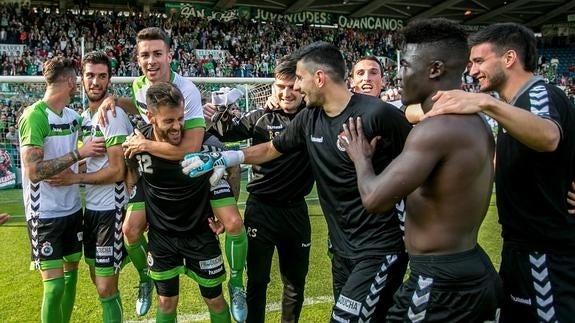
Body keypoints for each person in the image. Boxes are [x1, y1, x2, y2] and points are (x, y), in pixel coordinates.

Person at [183, 41, 412, 322]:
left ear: (319, 78)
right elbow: (270, 148)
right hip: (341, 248)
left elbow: (419, 159)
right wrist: (226, 158)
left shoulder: (378, 115)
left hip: (378, 247)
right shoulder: (309, 118)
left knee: (346, 316)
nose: (296, 89)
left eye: (300, 80)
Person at [341, 18, 502, 322]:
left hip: (438, 281)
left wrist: (361, 158)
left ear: (435, 69)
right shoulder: (476, 124)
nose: (398, 75)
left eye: (405, 66)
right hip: (472, 267)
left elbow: (374, 199)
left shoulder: (435, 130)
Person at [426, 22, 575, 322]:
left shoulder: (537, 94)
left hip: (545, 255)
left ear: (509, 59)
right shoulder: (513, 109)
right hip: (522, 250)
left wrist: (484, 103)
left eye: (479, 61)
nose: (472, 71)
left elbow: (549, 137)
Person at [100, 27, 247, 318]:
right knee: (130, 229)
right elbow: (144, 107)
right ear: (137, 59)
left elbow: (190, 147)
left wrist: (144, 143)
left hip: (192, 158)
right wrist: (116, 101)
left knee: (232, 222)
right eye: (145, 55)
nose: (151, 60)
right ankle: (145, 278)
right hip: (158, 169)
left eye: (157, 54)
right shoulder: (140, 85)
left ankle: (238, 283)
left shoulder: (187, 90)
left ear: (169, 55)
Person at [204, 59, 313, 323]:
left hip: (296, 210)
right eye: (280, 87)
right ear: (273, 88)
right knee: (257, 281)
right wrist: (215, 112)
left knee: (295, 282)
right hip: (261, 209)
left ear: (302, 87)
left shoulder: (315, 116)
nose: (286, 93)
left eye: (292, 88)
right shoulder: (260, 116)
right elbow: (223, 132)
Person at [128, 82, 238, 323]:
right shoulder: (136, 145)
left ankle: (237, 283)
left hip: (200, 233)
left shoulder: (202, 142)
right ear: (150, 117)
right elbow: (132, 176)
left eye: (181, 118)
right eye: (169, 121)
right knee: (166, 303)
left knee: (215, 300)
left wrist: (222, 213)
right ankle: (144, 278)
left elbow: (233, 168)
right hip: (162, 237)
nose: (178, 126)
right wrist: (140, 207)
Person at [18, 56, 105, 323]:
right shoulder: (35, 116)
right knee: (54, 287)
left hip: (72, 211)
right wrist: (78, 155)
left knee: (70, 279)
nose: (79, 84)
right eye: (77, 80)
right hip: (44, 214)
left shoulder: (72, 118)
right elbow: (34, 171)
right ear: (69, 81)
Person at [48, 51, 132, 322]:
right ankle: (128, 252)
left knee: (107, 287)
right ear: (80, 79)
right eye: (90, 75)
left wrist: (74, 179)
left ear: (109, 79)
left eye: (102, 76)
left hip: (112, 207)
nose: (96, 81)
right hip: (91, 211)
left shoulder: (114, 114)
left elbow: (118, 171)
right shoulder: (84, 117)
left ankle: (137, 255)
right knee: (99, 282)